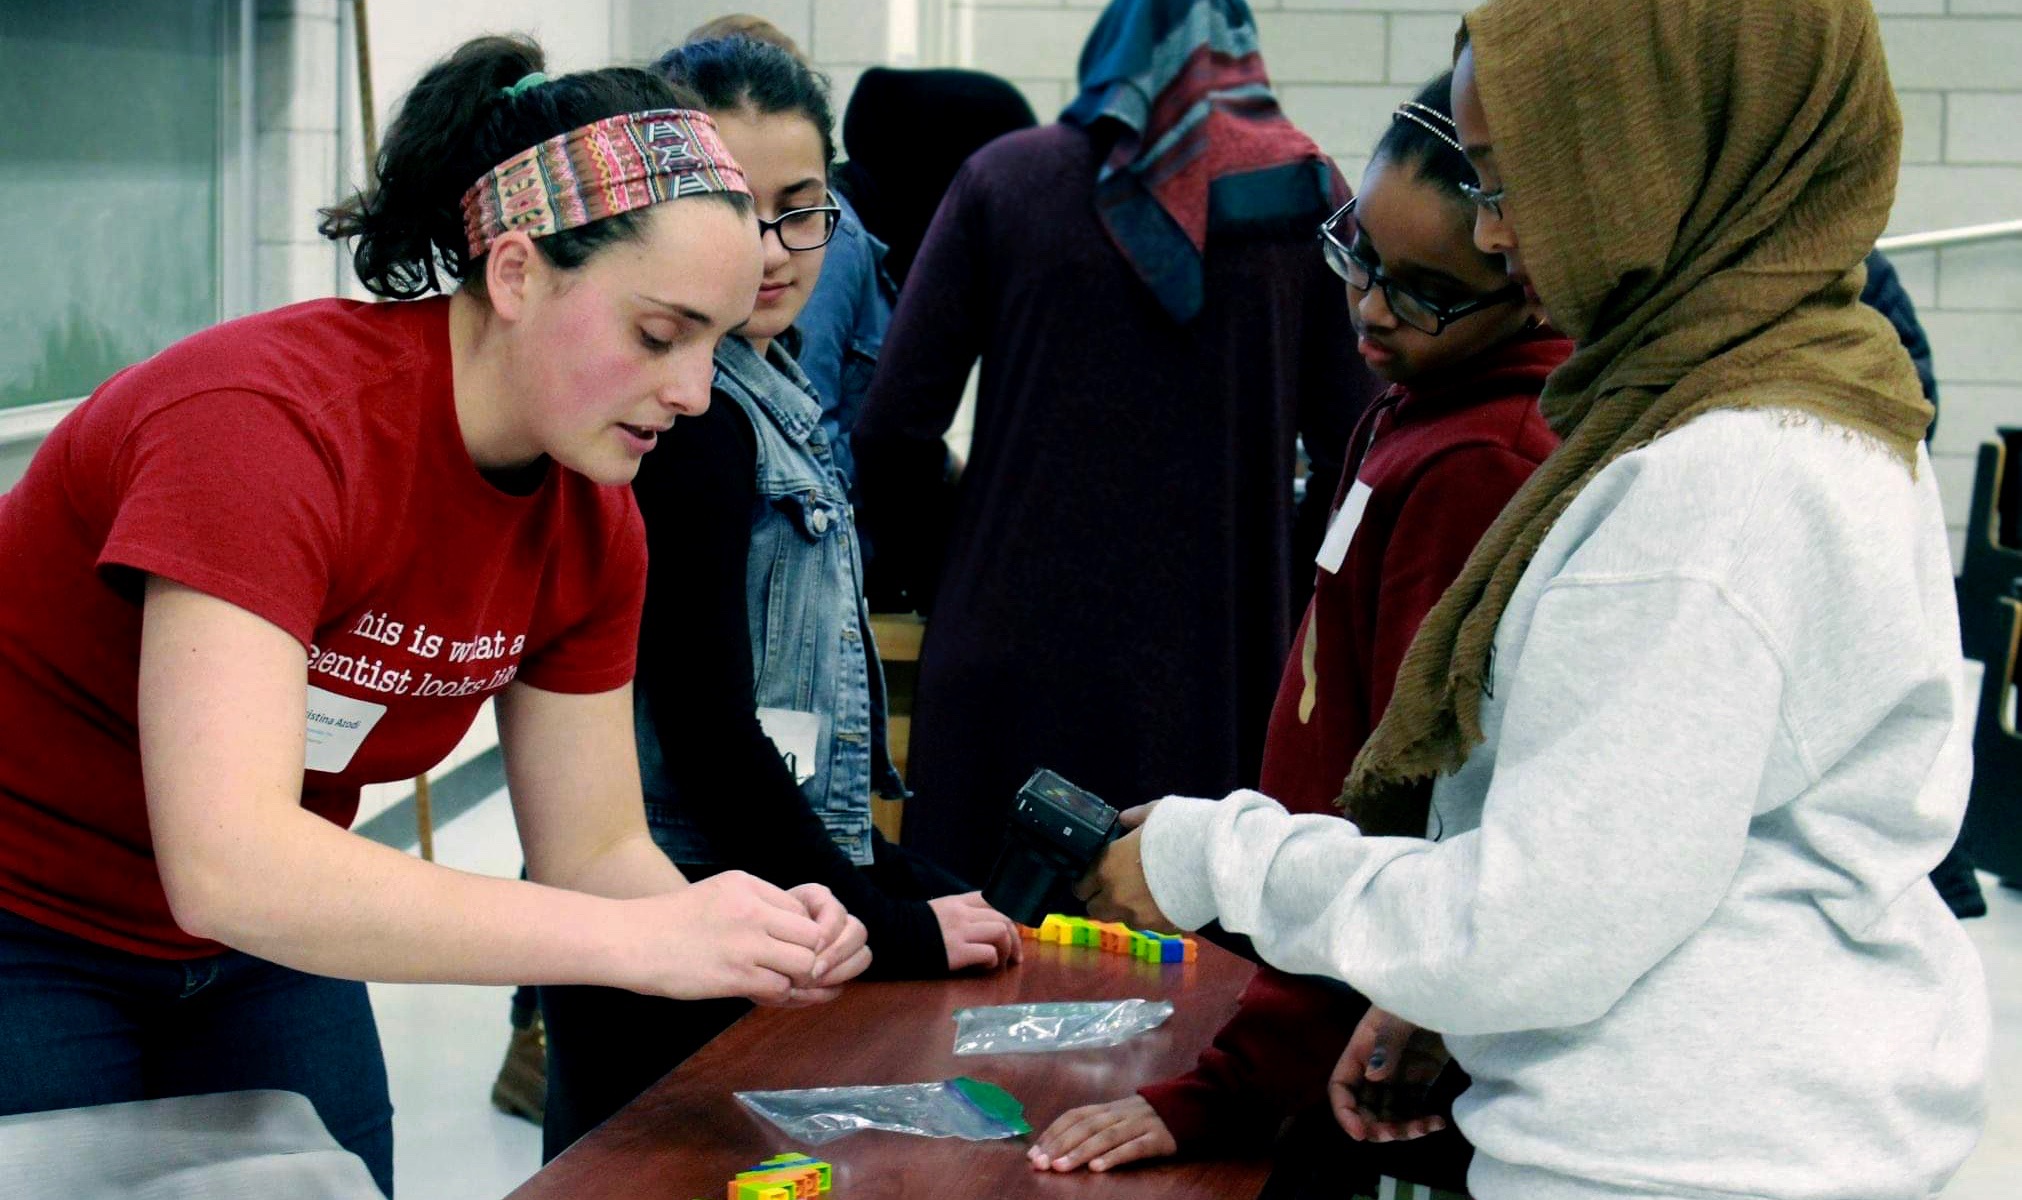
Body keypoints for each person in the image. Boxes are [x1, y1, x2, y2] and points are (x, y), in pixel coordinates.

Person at [1081, 1, 1991, 1197]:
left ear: (1654, 154)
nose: (1498, 232)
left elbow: (1528, 929)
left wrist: (1217, 856)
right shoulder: (1807, 389)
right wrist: (1459, 1006)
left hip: (1688, 1157)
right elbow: (1633, 863)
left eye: (1515, 179)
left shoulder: (1719, 483)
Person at [0, 36, 870, 1196]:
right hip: (30, 917)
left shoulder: (592, 521)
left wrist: (733, 935)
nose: (694, 393)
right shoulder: (265, 429)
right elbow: (231, 860)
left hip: (258, 952)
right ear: (514, 274)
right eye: (659, 336)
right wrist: (636, 941)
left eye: (717, 344)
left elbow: (598, 848)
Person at [1029, 74, 1568, 1193]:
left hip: (1369, 1018)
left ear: (1534, 284)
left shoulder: (1485, 457)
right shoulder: (1421, 406)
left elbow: (1402, 812)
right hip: (1327, 974)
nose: (1370, 308)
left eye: (1427, 292)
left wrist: (1233, 1086)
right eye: (1361, 256)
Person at [534, 35, 1022, 1161]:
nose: (769, 250)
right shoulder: (687, 424)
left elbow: (798, 748)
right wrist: (889, 918)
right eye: (732, 208)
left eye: (802, 208)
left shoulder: (776, 384)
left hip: (779, 896)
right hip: (689, 910)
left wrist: (896, 888)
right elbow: (710, 735)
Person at [851, 0, 1379, 887]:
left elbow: (893, 430)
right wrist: (1276, 588)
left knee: (981, 963)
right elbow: (1359, 449)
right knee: (1186, 977)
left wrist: (963, 562)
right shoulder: (1303, 197)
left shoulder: (1006, 182)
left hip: (1008, 661)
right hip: (1221, 666)